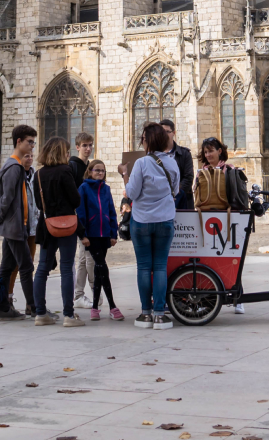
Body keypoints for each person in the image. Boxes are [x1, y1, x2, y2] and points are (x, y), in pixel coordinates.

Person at [119, 122, 179, 330]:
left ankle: (146, 313)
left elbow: (132, 193)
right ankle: (160, 315)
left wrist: (124, 175)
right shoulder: (172, 163)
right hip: (165, 219)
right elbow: (176, 190)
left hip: (142, 221)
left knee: (144, 267)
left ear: (147, 140)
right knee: (160, 266)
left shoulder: (142, 163)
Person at [32, 137, 85, 327]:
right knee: (66, 268)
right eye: (66, 151)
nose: (68, 154)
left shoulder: (38, 174)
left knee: (42, 268)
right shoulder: (65, 171)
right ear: (60, 152)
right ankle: (68, 315)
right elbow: (76, 200)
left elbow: (39, 204)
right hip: (66, 224)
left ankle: (40, 313)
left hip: (47, 226)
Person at [0, 125, 37, 320]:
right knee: (26, 267)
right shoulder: (14, 167)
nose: (32, 146)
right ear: (19, 142)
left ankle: (4, 308)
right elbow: (5, 200)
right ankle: (35, 308)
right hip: (15, 227)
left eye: (33, 142)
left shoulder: (15, 166)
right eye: (29, 142)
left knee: (7, 268)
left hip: (16, 225)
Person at [194, 136, 245, 315]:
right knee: (208, 258)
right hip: (207, 217)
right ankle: (208, 300)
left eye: (211, 151)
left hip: (227, 217)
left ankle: (238, 298)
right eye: (206, 152)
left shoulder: (230, 170)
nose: (208, 155)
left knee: (232, 257)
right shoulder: (201, 171)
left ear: (219, 151)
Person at [77, 160, 123, 321]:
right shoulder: (83, 188)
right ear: (90, 171)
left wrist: (113, 234)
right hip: (92, 235)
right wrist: (82, 235)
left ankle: (95, 308)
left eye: (102, 171)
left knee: (98, 270)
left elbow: (111, 212)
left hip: (105, 235)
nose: (100, 173)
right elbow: (80, 213)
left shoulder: (106, 189)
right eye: (97, 170)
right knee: (102, 267)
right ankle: (112, 306)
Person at [71, 132, 96, 306]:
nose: (88, 149)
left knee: (83, 258)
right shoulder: (73, 166)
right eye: (85, 145)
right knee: (89, 257)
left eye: (90, 145)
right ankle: (95, 291)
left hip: (90, 216)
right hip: (78, 217)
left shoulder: (90, 166)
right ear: (78, 147)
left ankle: (79, 294)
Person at [160, 119, 194, 212]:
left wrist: (174, 194)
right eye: (161, 132)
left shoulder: (184, 153)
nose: (164, 135)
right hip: (161, 204)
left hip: (182, 202)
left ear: (173, 133)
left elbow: (188, 178)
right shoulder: (154, 156)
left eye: (167, 132)